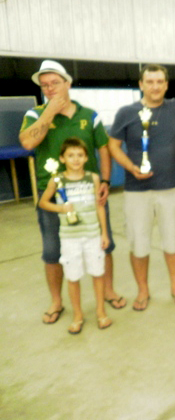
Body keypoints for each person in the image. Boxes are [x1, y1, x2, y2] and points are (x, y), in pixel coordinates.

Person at [20, 60, 126, 325]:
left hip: (89, 191)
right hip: (53, 193)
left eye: (54, 83)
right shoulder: (35, 114)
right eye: (44, 85)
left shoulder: (89, 115)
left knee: (103, 244)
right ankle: (57, 301)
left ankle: (108, 291)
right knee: (52, 250)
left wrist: (105, 181)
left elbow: (103, 148)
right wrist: (48, 113)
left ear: (67, 83)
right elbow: (28, 142)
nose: (50, 89)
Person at [108, 64, 175, 311]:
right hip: (136, 190)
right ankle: (143, 291)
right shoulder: (126, 113)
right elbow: (113, 146)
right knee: (139, 244)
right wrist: (131, 168)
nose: (155, 86)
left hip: (170, 188)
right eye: (150, 82)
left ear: (166, 85)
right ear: (141, 85)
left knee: (172, 241)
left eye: (160, 81)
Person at [39, 138, 112, 334]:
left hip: (92, 235)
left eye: (80, 155)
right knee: (73, 277)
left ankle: (100, 312)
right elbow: (43, 202)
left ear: (86, 157)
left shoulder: (93, 178)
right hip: (70, 237)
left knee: (98, 273)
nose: (76, 159)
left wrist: (104, 233)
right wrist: (61, 208)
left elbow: (99, 206)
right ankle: (77, 315)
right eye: (70, 155)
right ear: (62, 158)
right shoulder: (57, 180)